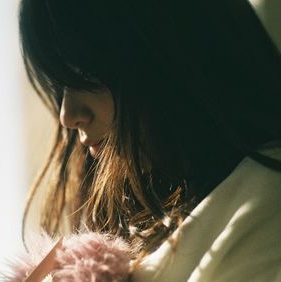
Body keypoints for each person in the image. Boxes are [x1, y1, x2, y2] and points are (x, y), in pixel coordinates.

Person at [18, 0, 281, 280]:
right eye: (58, 87)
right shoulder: (148, 238)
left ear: (169, 47)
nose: (67, 115)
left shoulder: (262, 208)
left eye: (85, 73)